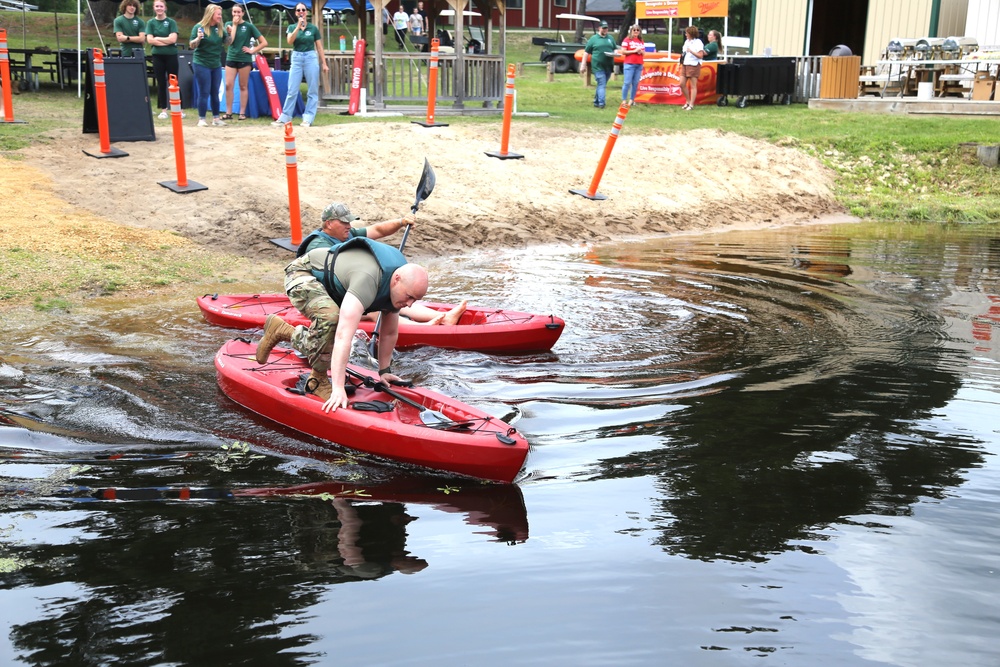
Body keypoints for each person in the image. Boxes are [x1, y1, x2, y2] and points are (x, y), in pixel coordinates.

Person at [255, 237, 430, 411]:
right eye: (409, 297)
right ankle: (288, 338)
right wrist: (338, 388)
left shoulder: (398, 288)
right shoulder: (368, 279)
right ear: (397, 279)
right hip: (303, 273)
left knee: (332, 326)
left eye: (416, 299)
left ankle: (311, 373)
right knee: (331, 319)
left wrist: (384, 371)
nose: (410, 305)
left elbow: (389, 333)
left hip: (335, 288)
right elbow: (343, 335)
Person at [300, 202, 467, 326]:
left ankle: (444, 318)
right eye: (344, 222)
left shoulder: (347, 234)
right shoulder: (317, 246)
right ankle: (424, 328)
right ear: (329, 224)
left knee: (393, 298)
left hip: (346, 287)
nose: (349, 226)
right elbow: (329, 278)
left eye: (349, 222)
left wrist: (401, 222)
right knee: (375, 309)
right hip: (325, 296)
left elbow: (378, 230)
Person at [272, 3, 327, 129]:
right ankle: (285, 117)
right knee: (292, 89)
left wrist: (324, 63)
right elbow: (290, 41)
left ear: (306, 12)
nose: (301, 11)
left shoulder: (313, 28)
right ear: (296, 13)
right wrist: (298, 26)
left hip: (310, 57)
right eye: (298, 10)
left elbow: (319, 46)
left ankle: (308, 118)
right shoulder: (291, 27)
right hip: (296, 57)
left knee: (312, 90)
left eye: (303, 10)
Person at [222, 5, 267, 121]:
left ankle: (242, 113)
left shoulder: (249, 26)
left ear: (243, 13)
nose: (236, 14)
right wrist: (234, 26)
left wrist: (252, 51)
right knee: (228, 85)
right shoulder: (228, 24)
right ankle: (228, 112)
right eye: (234, 12)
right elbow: (229, 42)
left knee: (243, 85)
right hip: (231, 57)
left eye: (238, 12)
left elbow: (263, 42)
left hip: (244, 59)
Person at [190, 4, 230, 127]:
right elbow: (191, 45)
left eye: (220, 14)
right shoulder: (199, 27)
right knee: (204, 91)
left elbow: (228, 42)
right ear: (211, 14)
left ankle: (216, 118)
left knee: (215, 91)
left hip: (215, 64)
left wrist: (230, 34)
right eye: (218, 14)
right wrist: (198, 38)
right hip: (201, 63)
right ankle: (202, 118)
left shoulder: (219, 28)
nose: (220, 17)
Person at [145, 0, 179, 120]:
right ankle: (164, 109)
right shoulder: (150, 23)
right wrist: (166, 40)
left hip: (171, 56)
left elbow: (173, 39)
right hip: (157, 56)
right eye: (157, 6)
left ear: (165, 8)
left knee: (174, 82)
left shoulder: (171, 22)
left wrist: (158, 38)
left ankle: (177, 108)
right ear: (154, 8)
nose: (159, 8)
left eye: (161, 6)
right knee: (161, 83)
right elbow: (150, 40)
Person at [581, 21, 617, 109]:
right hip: (598, 66)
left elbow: (615, 49)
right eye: (603, 28)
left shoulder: (610, 38)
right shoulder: (593, 39)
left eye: (606, 28)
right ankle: (602, 103)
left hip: (608, 66)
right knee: (602, 83)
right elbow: (586, 52)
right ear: (599, 28)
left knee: (601, 84)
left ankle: (596, 102)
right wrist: (583, 64)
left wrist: (615, 53)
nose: (605, 30)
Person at [679, 25, 705, 111]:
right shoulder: (686, 42)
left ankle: (691, 104)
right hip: (685, 63)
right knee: (682, 83)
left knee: (693, 85)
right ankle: (687, 101)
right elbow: (684, 53)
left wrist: (692, 51)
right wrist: (680, 62)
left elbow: (701, 55)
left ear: (691, 33)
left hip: (694, 64)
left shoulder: (698, 42)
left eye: (687, 33)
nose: (685, 34)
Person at [620, 24, 645, 107]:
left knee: (635, 83)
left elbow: (644, 53)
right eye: (634, 30)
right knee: (627, 82)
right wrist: (634, 51)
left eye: (638, 30)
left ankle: (631, 100)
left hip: (639, 64)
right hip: (629, 64)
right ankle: (624, 100)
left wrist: (640, 52)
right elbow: (623, 51)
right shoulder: (627, 40)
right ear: (631, 31)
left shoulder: (641, 40)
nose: (636, 31)